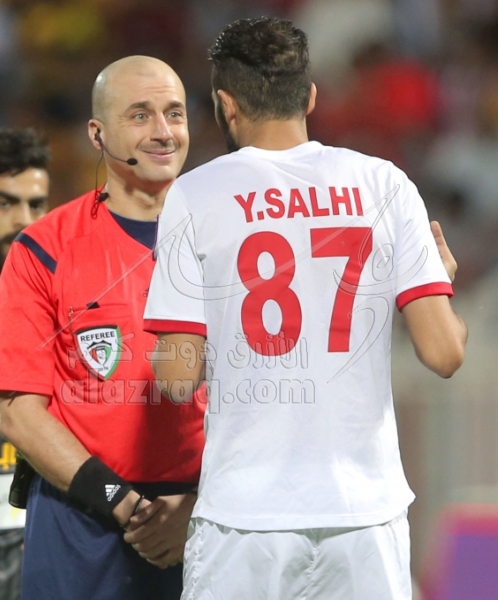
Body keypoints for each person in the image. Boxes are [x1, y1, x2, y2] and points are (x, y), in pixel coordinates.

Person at [140, 18, 468, 600]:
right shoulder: (386, 184)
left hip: (246, 517)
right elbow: (444, 354)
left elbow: (176, 378)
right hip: (365, 516)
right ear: (310, 96)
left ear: (225, 104)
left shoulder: (195, 193)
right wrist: (437, 283)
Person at [0, 56, 206, 600]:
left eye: (175, 113)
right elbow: (19, 414)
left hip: (207, 521)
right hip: (80, 523)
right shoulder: (44, 248)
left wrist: (198, 506)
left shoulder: (231, 241)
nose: (163, 131)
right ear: (97, 134)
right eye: (140, 115)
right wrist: (123, 503)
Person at [0, 128, 50, 600]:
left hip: (35, 548)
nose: (24, 220)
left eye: (36, 204)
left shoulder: (64, 313)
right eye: (4, 203)